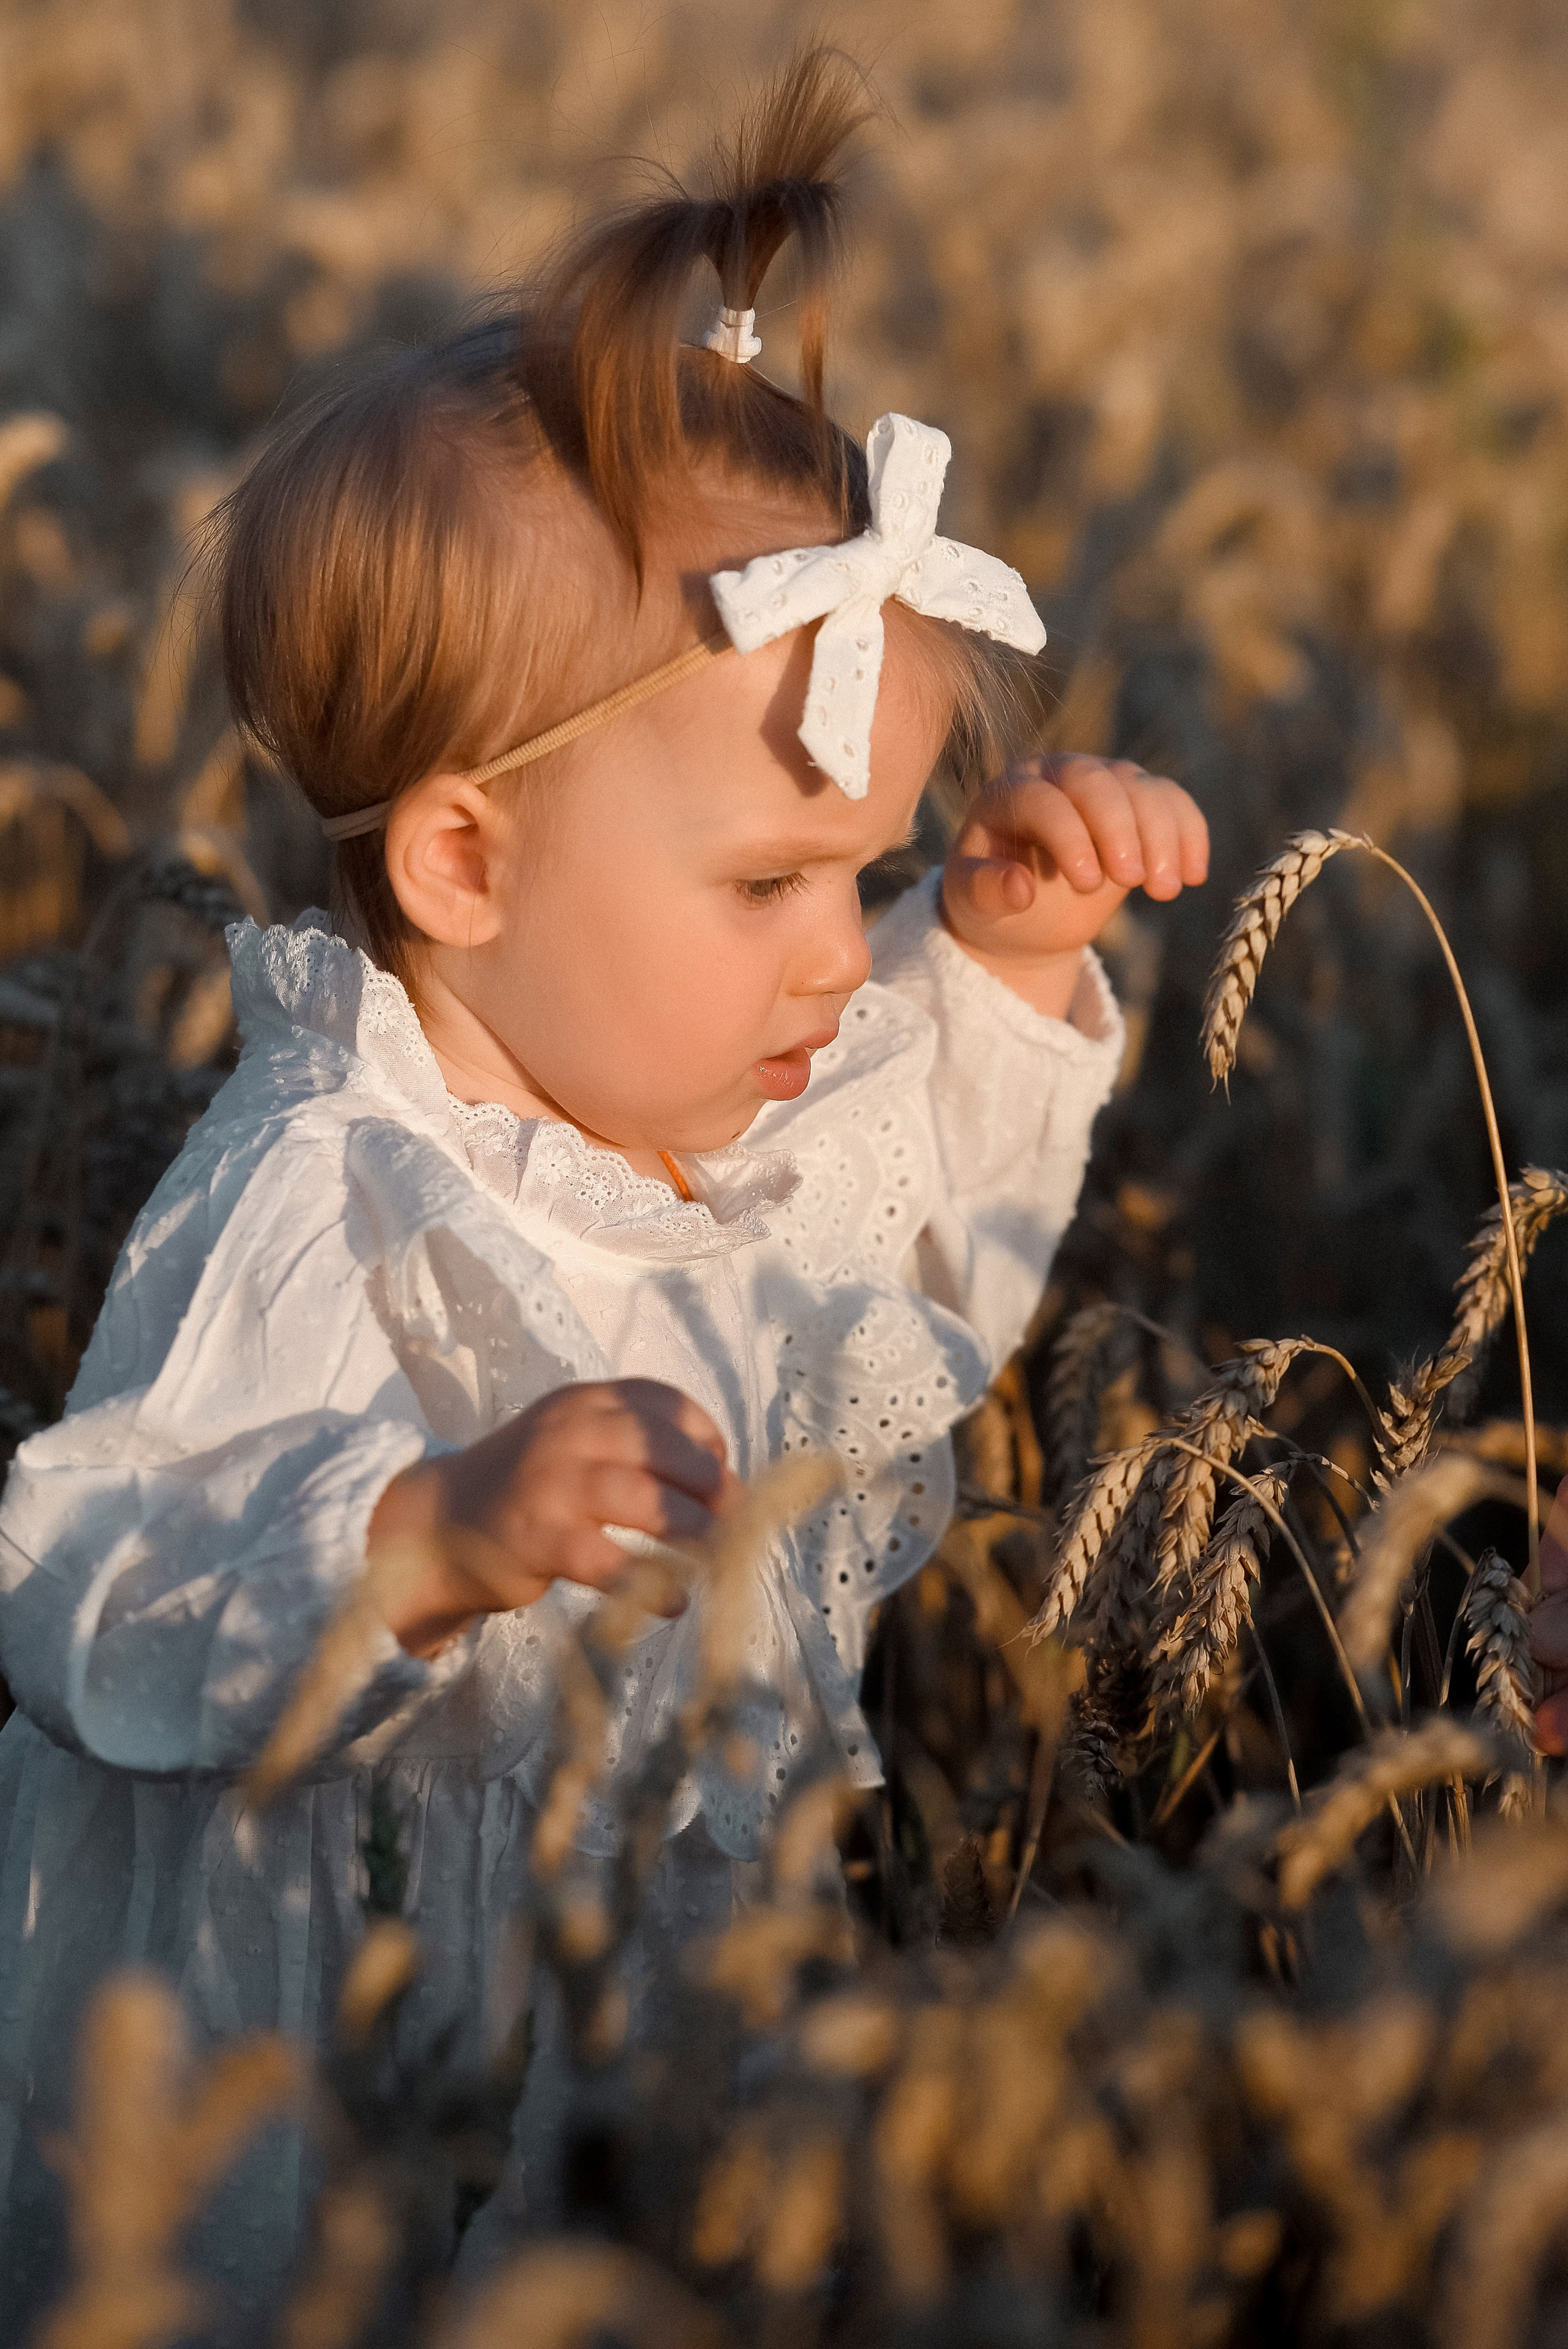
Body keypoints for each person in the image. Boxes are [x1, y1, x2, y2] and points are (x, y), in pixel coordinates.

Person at [0, 48, 1207, 2324]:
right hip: (325, 2055)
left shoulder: (721, 1113)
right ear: (464, 856)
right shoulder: (331, 1191)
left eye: (864, 874)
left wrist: (1013, 959)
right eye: (773, 879)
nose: (845, 957)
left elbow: (897, 1252)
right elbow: (86, 1577)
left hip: (650, 1991)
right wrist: (410, 1544)